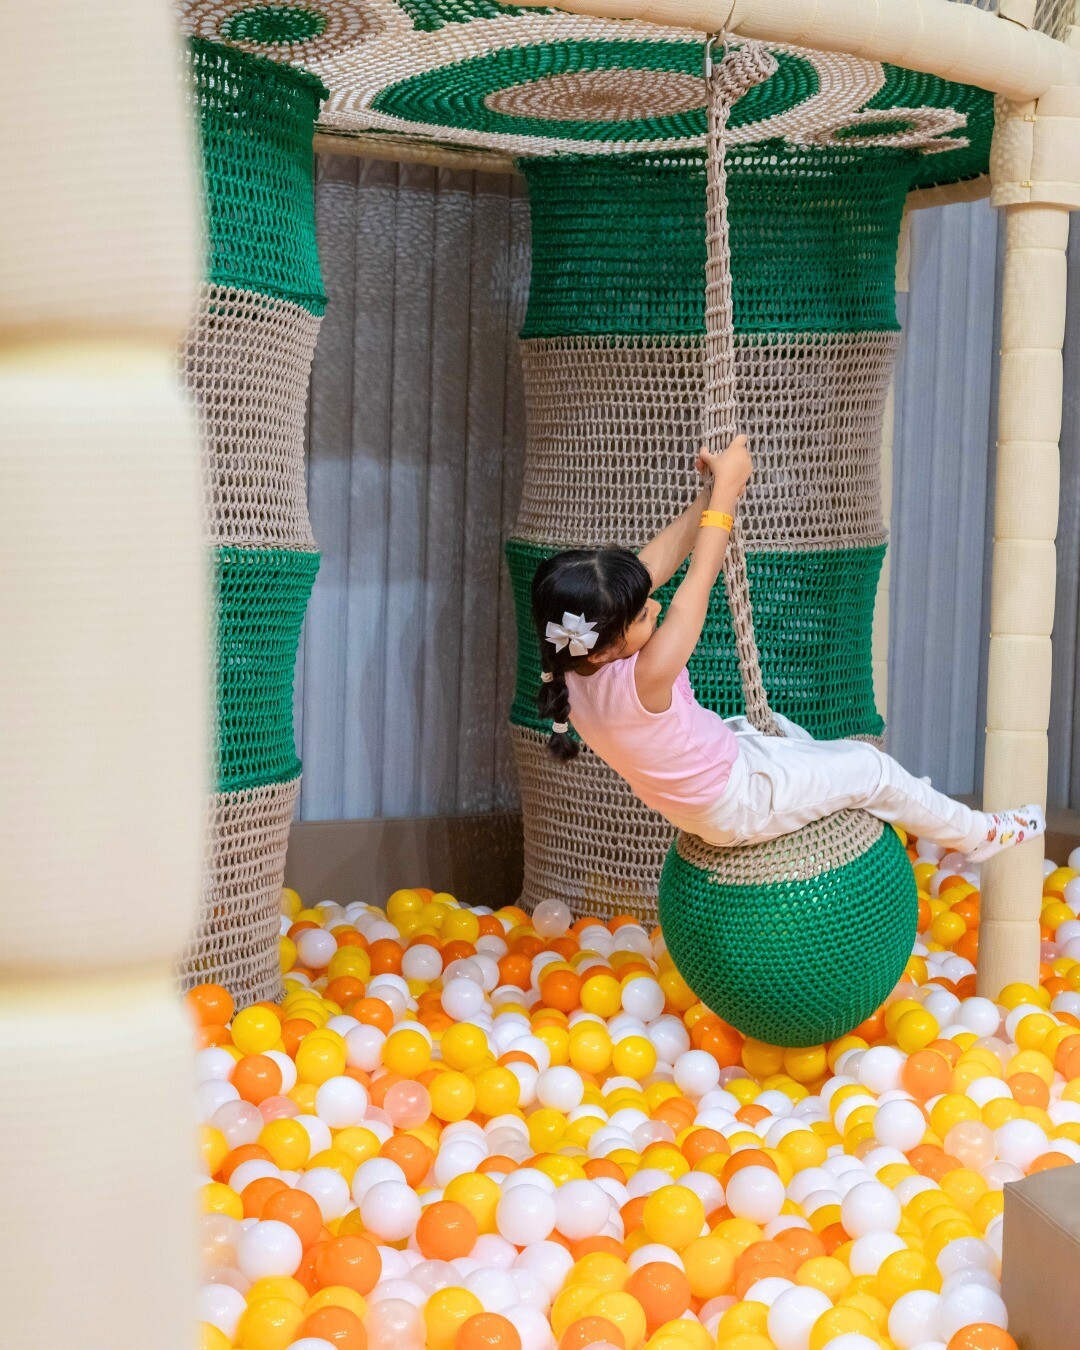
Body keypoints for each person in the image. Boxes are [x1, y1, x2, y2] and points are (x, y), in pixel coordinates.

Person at [530, 435, 1044, 862]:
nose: (656, 607)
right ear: (604, 648)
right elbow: (700, 576)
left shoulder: (572, 661)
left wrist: (704, 498)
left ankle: (911, 797)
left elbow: (653, 565)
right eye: (644, 615)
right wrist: (727, 493)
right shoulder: (650, 673)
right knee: (872, 768)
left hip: (718, 770)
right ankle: (976, 835)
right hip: (737, 806)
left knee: (786, 736)